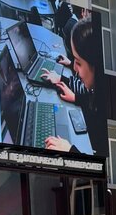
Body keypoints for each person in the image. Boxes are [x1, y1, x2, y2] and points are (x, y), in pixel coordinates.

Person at [43, 17, 106, 156]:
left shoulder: (108, 109)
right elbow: (92, 101)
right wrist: (76, 98)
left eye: (78, 62)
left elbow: (101, 164)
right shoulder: (98, 92)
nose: (75, 69)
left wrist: (70, 151)